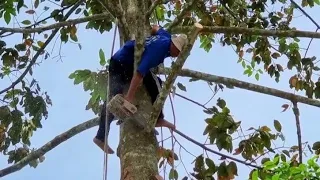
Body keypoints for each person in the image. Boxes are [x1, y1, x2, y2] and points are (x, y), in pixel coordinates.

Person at [93, 25, 188, 154]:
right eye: (178, 52)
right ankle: (100, 137)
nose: (177, 56)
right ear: (175, 46)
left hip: (130, 60)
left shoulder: (166, 36)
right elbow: (139, 74)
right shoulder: (158, 50)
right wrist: (129, 98)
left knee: (156, 84)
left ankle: (158, 118)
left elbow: (156, 27)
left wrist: (149, 31)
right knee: (113, 96)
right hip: (121, 63)